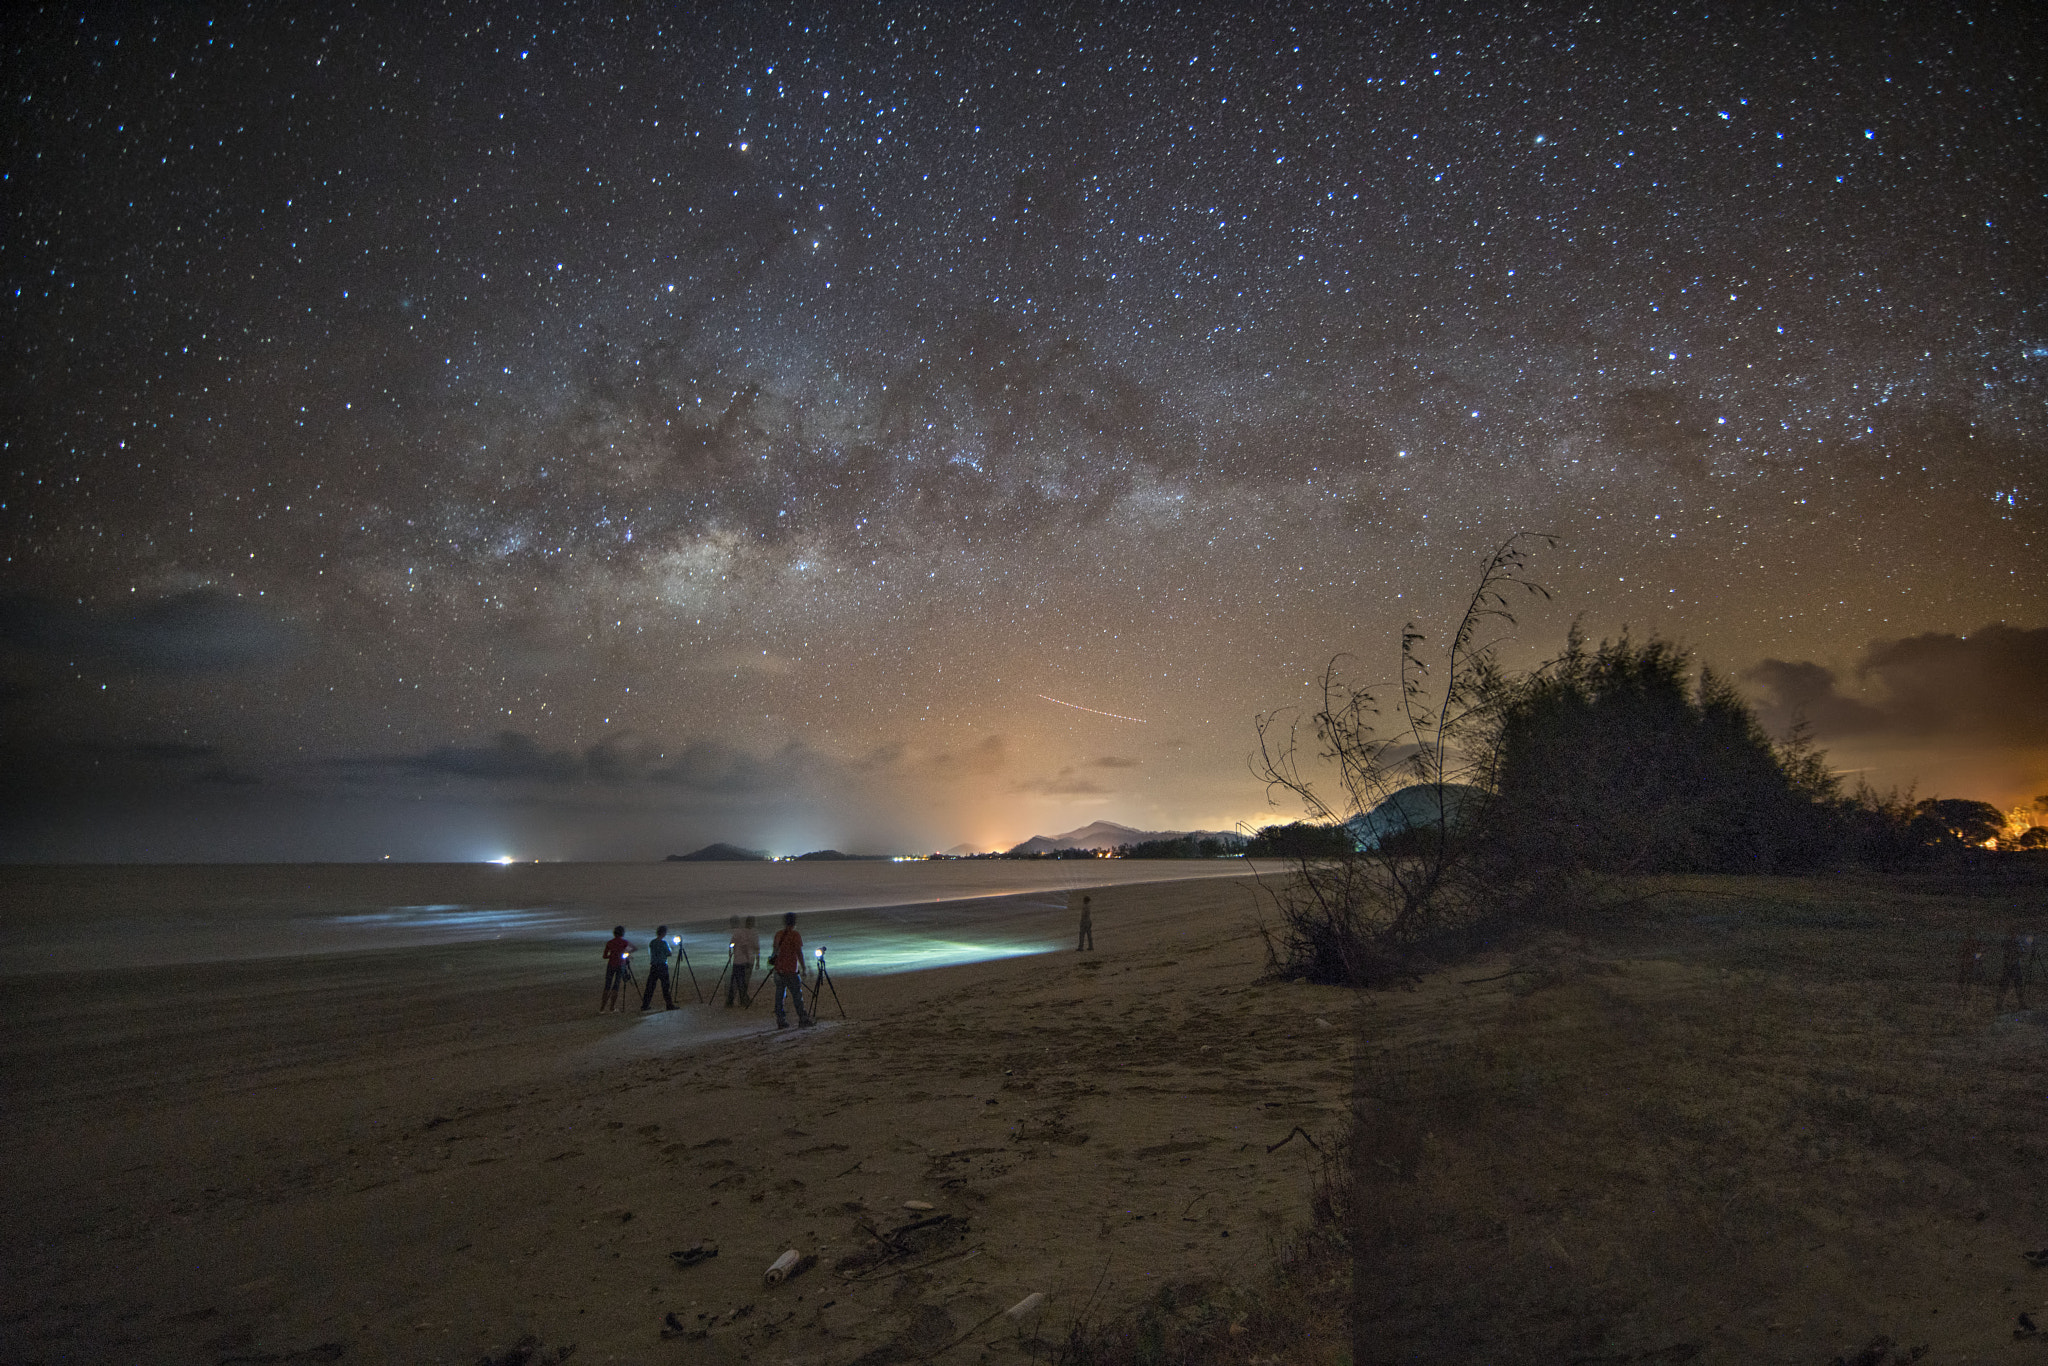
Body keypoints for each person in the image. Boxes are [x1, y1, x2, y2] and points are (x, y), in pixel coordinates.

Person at [770, 910, 812, 1029]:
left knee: (779, 996)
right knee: (797, 996)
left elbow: (774, 952)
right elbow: (799, 953)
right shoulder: (795, 935)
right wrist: (803, 967)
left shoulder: (778, 935)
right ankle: (802, 1018)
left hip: (779, 969)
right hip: (790, 970)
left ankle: (780, 1019)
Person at [1993, 930, 2032, 1012]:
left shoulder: (2017, 943)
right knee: (2004, 986)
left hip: (2014, 966)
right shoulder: (2008, 942)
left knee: (2018, 985)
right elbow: (2009, 953)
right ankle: (1999, 1004)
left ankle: (2021, 1003)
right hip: (2009, 966)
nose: (2014, 935)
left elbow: (2022, 952)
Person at [641, 925, 677, 1011]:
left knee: (650, 987)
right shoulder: (664, 943)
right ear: (664, 933)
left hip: (654, 966)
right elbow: (669, 953)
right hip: (662, 966)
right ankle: (669, 1005)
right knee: (665, 987)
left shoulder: (652, 942)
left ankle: (645, 1005)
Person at [727, 914, 759, 1007]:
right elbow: (742, 945)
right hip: (742, 960)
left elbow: (734, 944)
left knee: (736, 981)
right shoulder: (741, 932)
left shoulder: (738, 932)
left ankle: (734, 1000)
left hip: (739, 960)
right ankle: (742, 999)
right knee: (741, 982)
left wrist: (732, 952)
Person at [600, 925, 632, 1014]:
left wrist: (612, 956)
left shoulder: (610, 942)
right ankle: (612, 1007)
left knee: (607, 986)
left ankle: (602, 1008)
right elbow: (630, 950)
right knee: (616, 986)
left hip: (611, 965)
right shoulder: (625, 942)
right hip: (620, 965)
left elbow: (604, 956)